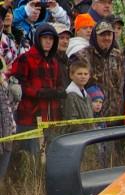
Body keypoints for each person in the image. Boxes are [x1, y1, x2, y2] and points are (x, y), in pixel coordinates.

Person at [10, 22, 62, 155]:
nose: (48, 42)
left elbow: (59, 85)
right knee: (31, 158)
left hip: (51, 117)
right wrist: (38, 92)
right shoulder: (25, 59)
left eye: (51, 39)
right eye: (45, 38)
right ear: (38, 39)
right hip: (30, 117)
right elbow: (17, 85)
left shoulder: (54, 62)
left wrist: (59, 92)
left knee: (50, 157)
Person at [78, 20, 123, 117]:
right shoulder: (82, 56)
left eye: (109, 35)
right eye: (102, 35)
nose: (106, 38)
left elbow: (122, 85)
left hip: (117, 115)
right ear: (95, 36)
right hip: (93, 116)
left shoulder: (118, 56)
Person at [62, 58, 94, 129]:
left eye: (86, 74)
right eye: (79, 74)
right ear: (71, 75)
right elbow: (72, 121)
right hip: (77, 137)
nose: (83, 76)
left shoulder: (88, 96)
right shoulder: (69, 95)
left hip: (89, 135)